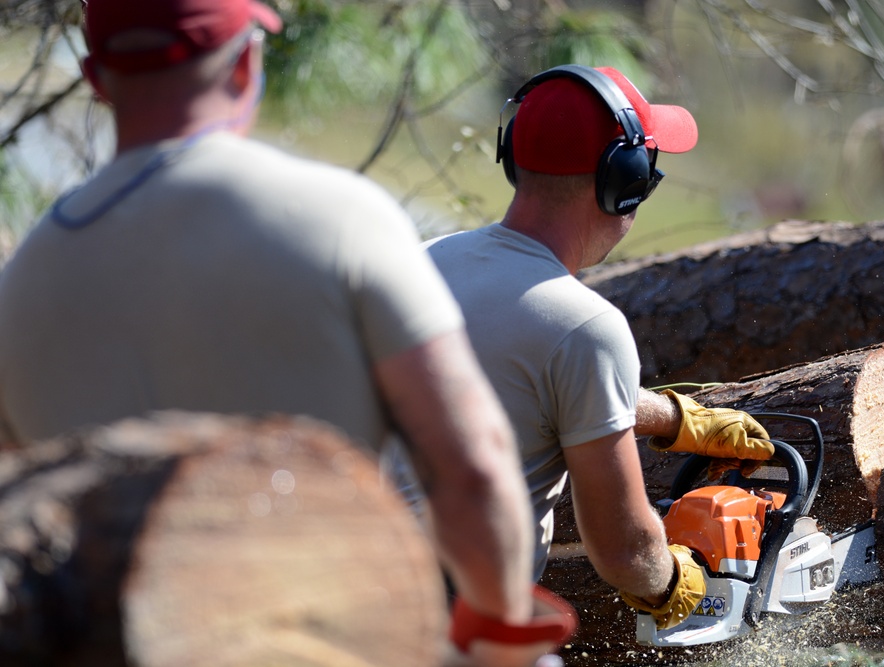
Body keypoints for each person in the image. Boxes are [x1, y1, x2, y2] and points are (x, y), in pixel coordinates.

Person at [0, 1, 576, 664]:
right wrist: (500, 629)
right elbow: (471, 465)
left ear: (96, 78)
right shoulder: (339, 220)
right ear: (246, 62)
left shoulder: (21, 282)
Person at [415, 64, 776, 632]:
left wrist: (668, 416)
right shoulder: (585, 327)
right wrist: (678, 581)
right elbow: (623, 551)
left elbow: (510, 383)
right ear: (625, 181)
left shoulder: (428, 259)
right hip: (449, 624)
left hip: (351, 578)